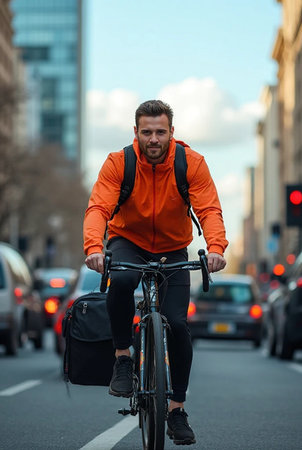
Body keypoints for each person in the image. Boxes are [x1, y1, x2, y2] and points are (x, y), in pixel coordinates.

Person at [84, 99, 228, 446]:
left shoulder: (190, 163)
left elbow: (208, 207)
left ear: (171, 133)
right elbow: (99, 207)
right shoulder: (118, 163)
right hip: (127, 239)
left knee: (177, 324)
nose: (153, 139)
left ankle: (176, 409)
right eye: (146, 132)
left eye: (160, 132)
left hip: (173, 248)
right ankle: (122, 358)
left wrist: (217, 248)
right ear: (136, 132)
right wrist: (93, 248)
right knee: (119, 280)